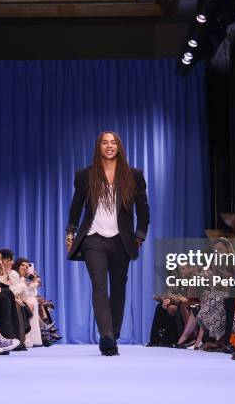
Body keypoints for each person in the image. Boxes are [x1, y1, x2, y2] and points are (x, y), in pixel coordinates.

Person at [66, 131, 150, 356]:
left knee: (119, 287)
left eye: (113, 143)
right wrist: (70, 233)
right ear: (98, 147)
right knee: (99, 284)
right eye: (105, 142)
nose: (109, 146)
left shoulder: (133, 175)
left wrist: (139, 236)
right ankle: (106, 336)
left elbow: (143, 211)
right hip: (93, 238)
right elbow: (76, 208)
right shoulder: (86, 175)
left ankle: (113, 331)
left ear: (119, 147)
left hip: (121, 240)